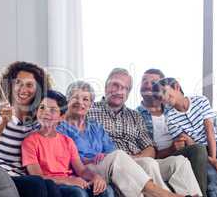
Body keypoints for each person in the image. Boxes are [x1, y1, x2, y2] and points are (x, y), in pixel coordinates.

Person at [57, 80, 192, 197]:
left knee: (147, 163)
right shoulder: (59, 127)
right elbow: (64, 159)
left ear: (91, 104)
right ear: (68, 100)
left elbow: (110, 150)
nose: (80, 102)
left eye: (85, 99)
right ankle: (166, 195)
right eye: (75, 98)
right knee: (118, 156)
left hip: (105, 165)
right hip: (84, 169)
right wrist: (91, 159)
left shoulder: (95, 126)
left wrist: (104, 155)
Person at [87, 68, 202, 197]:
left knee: (179, 162)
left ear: (129, 92)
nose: (120, 91)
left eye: (125, 88)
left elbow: (150, 148)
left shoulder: (135, 116)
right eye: (115, 85)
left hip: (136, 160)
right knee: (148, 163)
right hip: (110, 163)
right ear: (106, 86)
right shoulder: (90, 110)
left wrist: (133, 159)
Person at [0, 61, 61, 197]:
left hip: (19, 177)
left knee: (50, 185)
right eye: (18, 83)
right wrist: (3, 121)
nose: (23, 89)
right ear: (11, 85)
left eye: (29, 85)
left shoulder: (37, 123)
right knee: (37, 184)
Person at [155, 77, 217, 197]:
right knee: (211, 180)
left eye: (165, 92)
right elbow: (189, 143)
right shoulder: (170, 118)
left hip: (214, 145)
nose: (163, 98)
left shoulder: (200, 101)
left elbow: (209, 130)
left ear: (176, 86)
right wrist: (209, 159)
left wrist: (213, 156)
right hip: (197, 152)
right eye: (160, 97)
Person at [22, 90, 113, 197]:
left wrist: (95, 177)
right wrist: (68, 180)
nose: (45, 112)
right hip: (53, 185)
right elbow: (37, 177)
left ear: (62, 117)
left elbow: (82, 170)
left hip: (71, 182)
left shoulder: (67, 141)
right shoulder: (30, 141)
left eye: (52, 110)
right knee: (78, 193)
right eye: (42, 107)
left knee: (106, 190)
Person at [136, 69, 208, 196]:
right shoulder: (135, 115)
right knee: (198, 150)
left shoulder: (173, 107)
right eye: (144, 81)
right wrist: (171, 149)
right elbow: (147, 154)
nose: (148, 84)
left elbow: (209, 119)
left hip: (185, 151)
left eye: (153, 82)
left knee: (199, 149)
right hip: (160, 158)